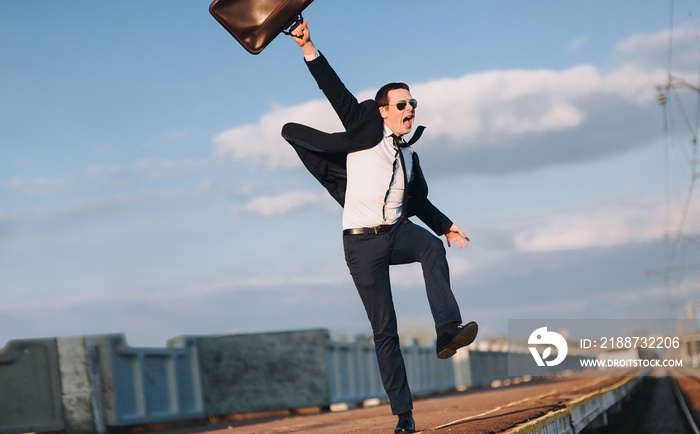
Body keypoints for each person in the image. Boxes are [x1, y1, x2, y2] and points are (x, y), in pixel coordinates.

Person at [281, 20, 478, 434]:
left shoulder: (410, 158)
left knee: (430, 248)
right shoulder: (363, 128)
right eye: (402, 105)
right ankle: (403, 416)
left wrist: (447, 226)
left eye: (413, 104)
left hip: (396, 233)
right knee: (384, 329)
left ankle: (447, 332)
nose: (410, 110)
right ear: (384, 110)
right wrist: (308, 45)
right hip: (361, 244)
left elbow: (418, 200)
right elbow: (333, 87)